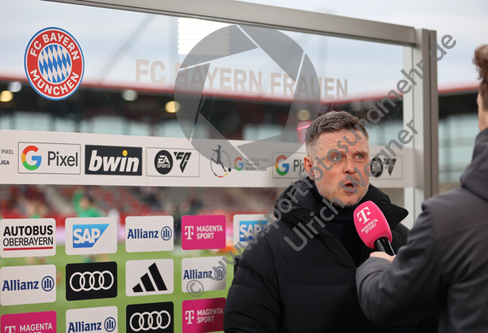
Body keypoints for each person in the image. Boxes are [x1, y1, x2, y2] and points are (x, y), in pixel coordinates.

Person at [224, 111, 437, 332]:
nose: (351, 167)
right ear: (310, 167)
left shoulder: (404, 242)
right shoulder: (268, 251)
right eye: (336, 157)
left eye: (359, 156)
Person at [355, 44, 488, 332]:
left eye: (360, 156)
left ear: (483, 112)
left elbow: (386, 303)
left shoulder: (450, 220)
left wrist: (377, 265)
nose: (350, 168)